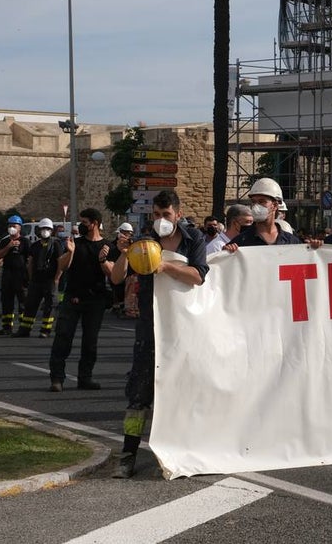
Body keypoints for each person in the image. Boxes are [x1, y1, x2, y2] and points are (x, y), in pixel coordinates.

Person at [108, 189, 208, 478]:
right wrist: (125, 253)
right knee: (138, 394)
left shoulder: (194, 239)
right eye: (156, 215)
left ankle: (184, 450)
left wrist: (164, 266)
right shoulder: (144, 240)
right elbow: (116, 278)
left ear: (178, 213)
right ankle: (128, 454)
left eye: (166, 215)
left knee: (184, 391)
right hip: (150, 328)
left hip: (183, 327)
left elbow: (199, 276)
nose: (161, 220)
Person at [48, 208, 115, 393]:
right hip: (73, 298)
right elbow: (61, 266)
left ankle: (85, 377)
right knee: (63, 337)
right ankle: (57, 379)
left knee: (90, 341)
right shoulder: (75, 244)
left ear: (94, 223)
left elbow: (113, 274)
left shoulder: (107, 246)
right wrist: (69, 252)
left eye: (84, 223)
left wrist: (103, 260)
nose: (80, 226)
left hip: (96, 300)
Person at [15, 218, 64, 338]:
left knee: (49, 305)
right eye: (43, 229)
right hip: (36, 280)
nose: (45, 231)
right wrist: (31, 278)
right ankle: (25, 330)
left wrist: (57, 278)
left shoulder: (56, 244)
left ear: (51, 231)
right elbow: (30, 263)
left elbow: (60, 263)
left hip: (50, 279)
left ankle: (45, 330)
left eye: (47, 229)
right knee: (30, 304)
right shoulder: (35, 245)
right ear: (39, 230)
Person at [231, 178, 302, 247]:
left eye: (261, 201)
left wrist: (312, 250)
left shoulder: (291, 242)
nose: (256, 206)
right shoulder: (240, 242)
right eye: (253, 201)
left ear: (275, 205)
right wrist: (227, 253)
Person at [0, 214, 30, 335]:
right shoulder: (5, 241)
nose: (11, 228)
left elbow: (30, 258)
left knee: (23, 302)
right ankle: (6, 327)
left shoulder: (25, 241)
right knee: (6, 301)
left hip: (21, 274)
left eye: (14, 226)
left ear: (19, 227)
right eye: (10, 226)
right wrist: (9, 246)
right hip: (7, 274)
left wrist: (29, 275)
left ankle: (23, 327)